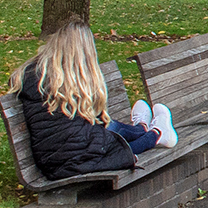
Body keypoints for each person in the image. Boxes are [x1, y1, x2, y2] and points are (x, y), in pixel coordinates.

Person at [13, 19, 166, 181]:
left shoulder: (33, 73)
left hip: (51, 160)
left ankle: (142, 128)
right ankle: (157, 133)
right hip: (76, 159)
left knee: (109, 130)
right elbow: (95, 123)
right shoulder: (77, 79)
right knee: (117, 144)